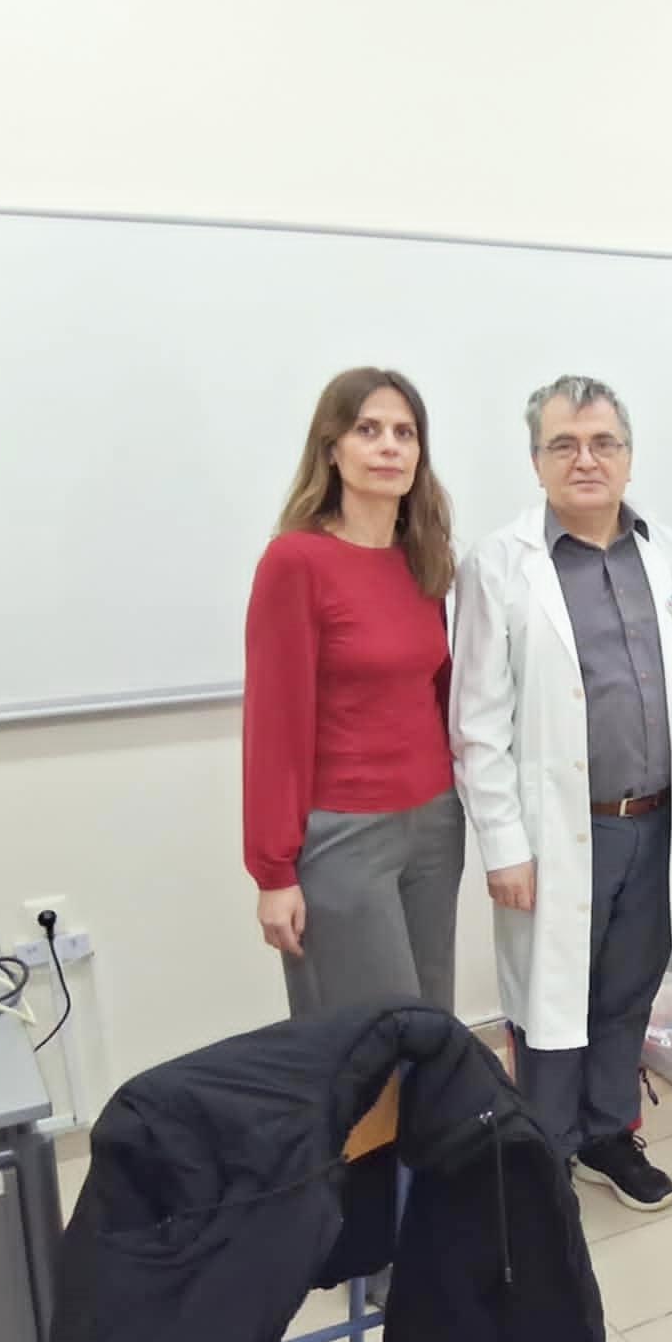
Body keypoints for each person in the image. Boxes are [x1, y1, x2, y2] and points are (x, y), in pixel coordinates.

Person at [450, 375, 672, 1212]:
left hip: (654, 820)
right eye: (564, 445)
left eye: (603, 443)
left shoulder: (668, 554)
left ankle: (609, 1132)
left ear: (628, 456)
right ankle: (544, 1152)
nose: (586, 460)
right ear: (537, 460)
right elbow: (477, 722)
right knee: (550, 997)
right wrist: (503, 845)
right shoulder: (500, 566)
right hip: (556, 831)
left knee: (627, 988)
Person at [242, 367, 465, 1017]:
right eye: (368, 430)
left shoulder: (422, 557)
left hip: (435, 824)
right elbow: (273, 728)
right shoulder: (295, 562)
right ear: (332, 449)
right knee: (366, 1035)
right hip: (343, 834)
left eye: (404, 433)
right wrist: (274, 872)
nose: (389, 446)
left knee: (431, 1025)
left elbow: (442, 696)